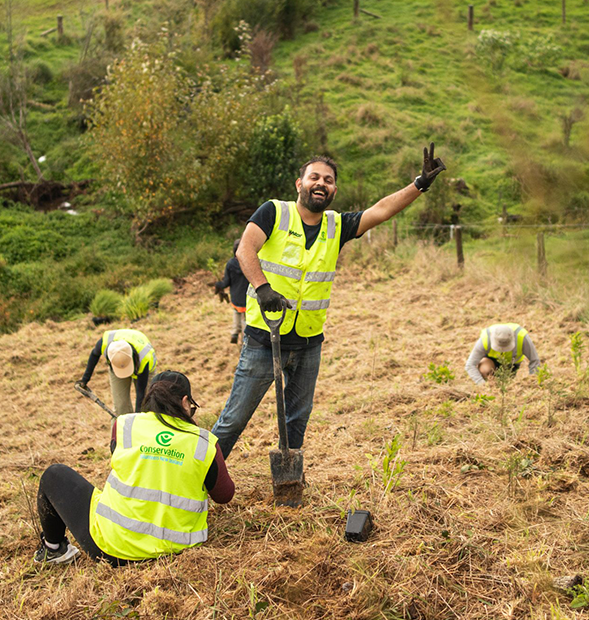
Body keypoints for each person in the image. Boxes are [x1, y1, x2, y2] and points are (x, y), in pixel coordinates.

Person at [211, 144, 447, 457]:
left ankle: (289, 479)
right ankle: (200, 477)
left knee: (297, 420)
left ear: (334, 189)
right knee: (234, 419)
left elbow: (381, 211)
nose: (321, 183)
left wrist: (420, 185)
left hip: (309, 343)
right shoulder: (274, 212)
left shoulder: (336, 226)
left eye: (328, 180)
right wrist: (263, 287)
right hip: (265, 338)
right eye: (314, 177)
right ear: (300, 184)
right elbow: (245, 249)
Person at [32, 371, 234, 565]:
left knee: (54, 474)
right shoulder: (204, 442)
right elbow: (224, 495)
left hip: (113, 548)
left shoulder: (124, 425)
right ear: (184, 402)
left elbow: (126, 463)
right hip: (180, 547)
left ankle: (54, 549)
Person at [78, 329, 156, 415]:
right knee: (120, 408)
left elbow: (141, 393)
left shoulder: (144, 357)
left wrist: (136, 418)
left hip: (142, 369)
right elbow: (94, 355)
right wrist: (84, 380)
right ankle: (120, 426)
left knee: (146, 407)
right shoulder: (105, 344)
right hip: (117, 364)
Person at [465, 323, 541, 384]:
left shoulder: (522, 337)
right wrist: (481, 384)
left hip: (512, 364)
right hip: (491, 361)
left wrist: (533, 380)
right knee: (485, 370)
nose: (503, 350)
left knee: (507, 383)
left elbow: (534, 360)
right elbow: (470, 365)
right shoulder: (485, 338)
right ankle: (490, 382)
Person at [214, 239, 250, 344]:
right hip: (247, 297)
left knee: (236, 313)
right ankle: (245, 338)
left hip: (235, 297)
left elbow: (226, 283)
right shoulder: (249, 262)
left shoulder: (230, 264)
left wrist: (217, 284)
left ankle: (234, 332)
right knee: (246, 319)